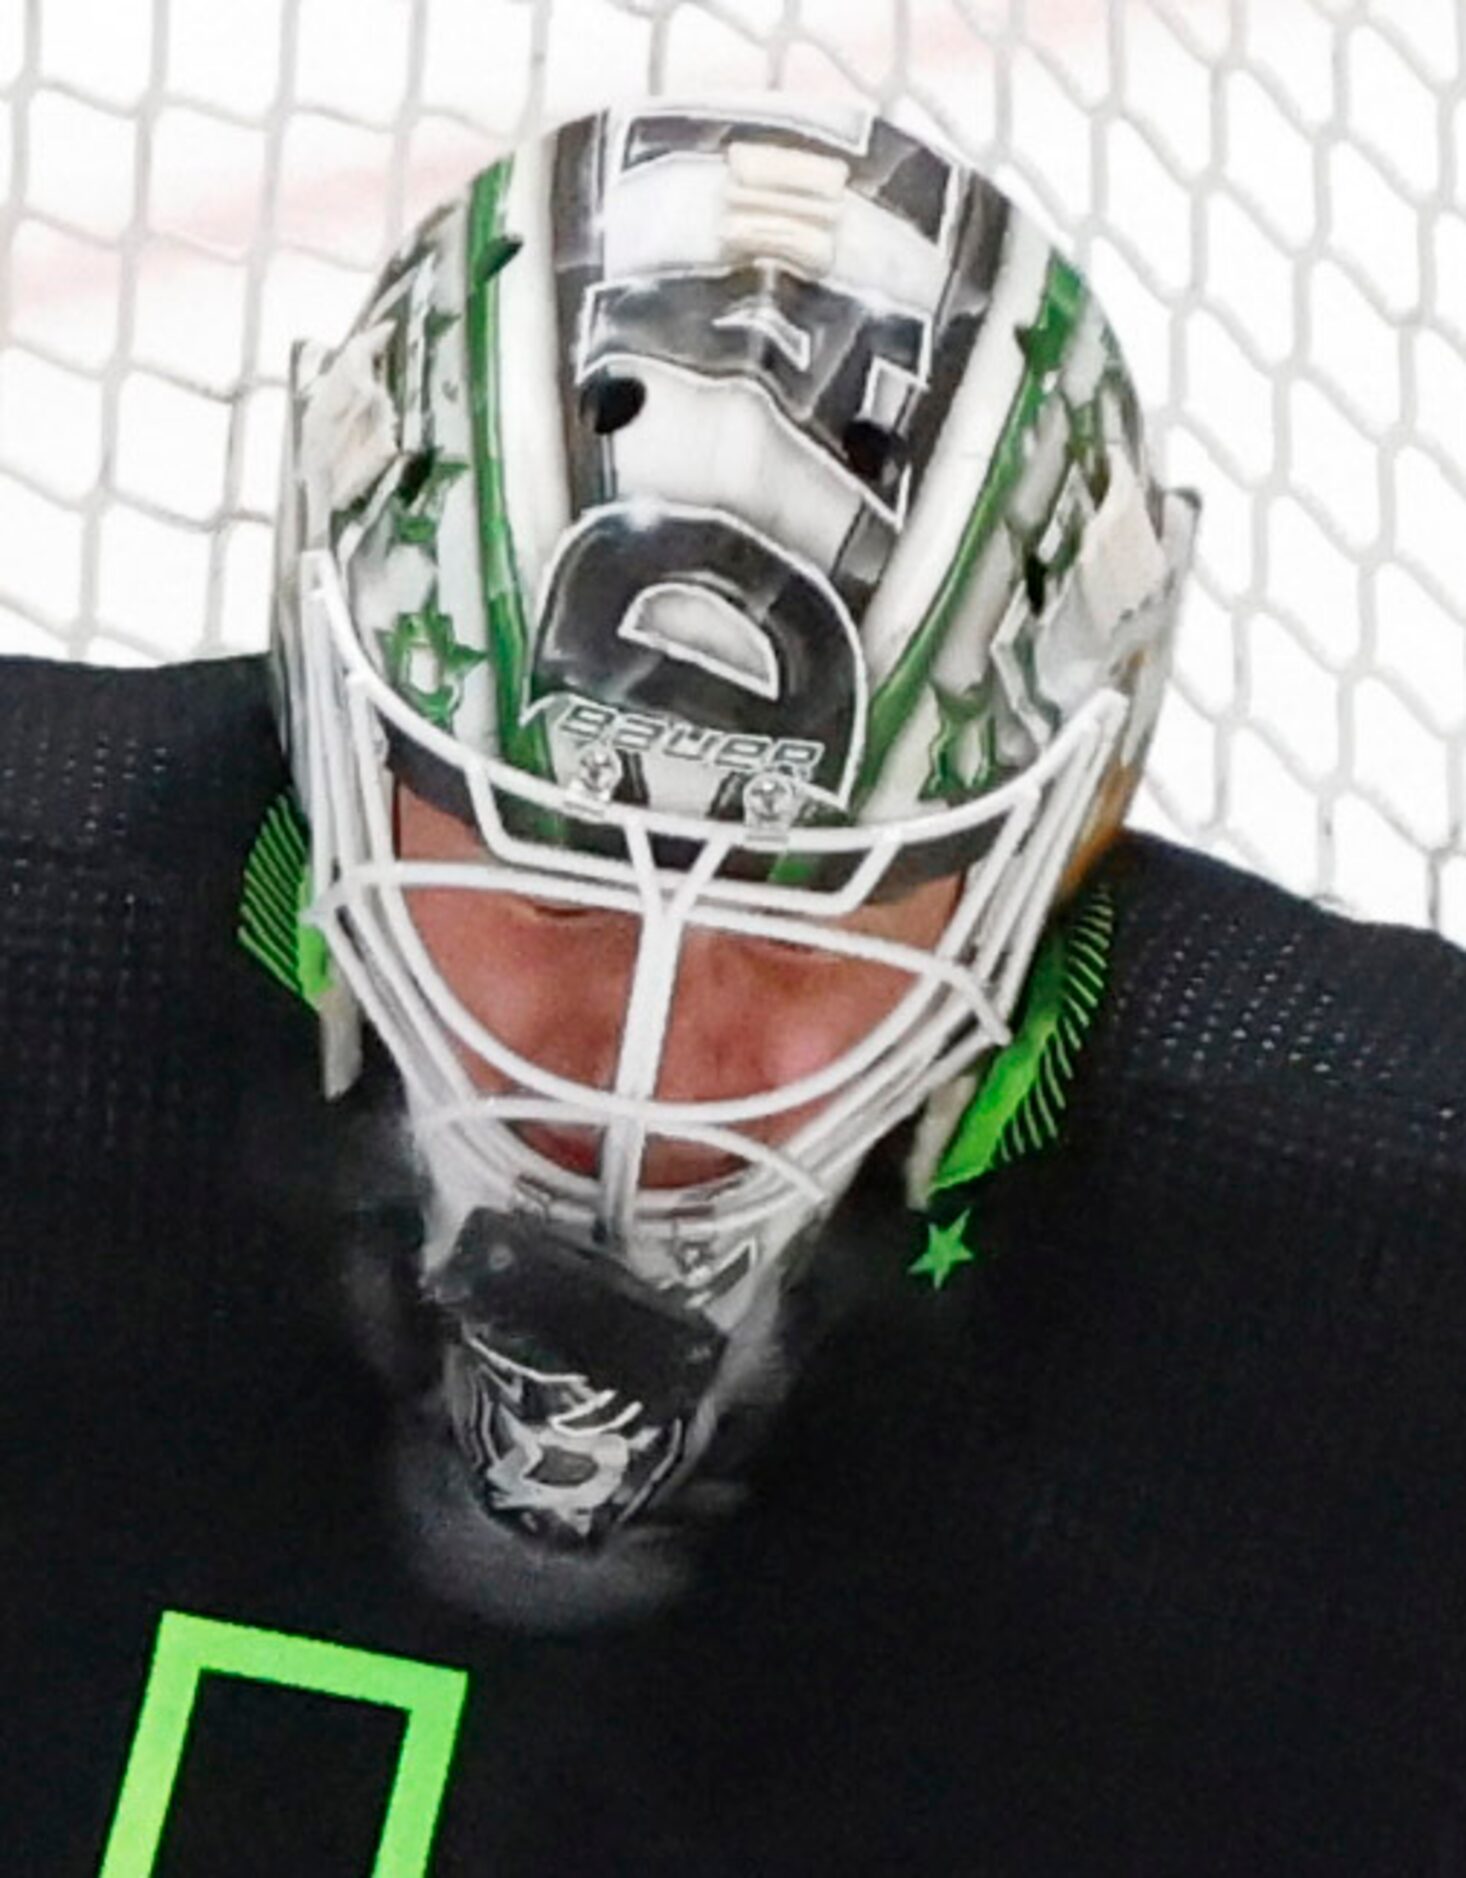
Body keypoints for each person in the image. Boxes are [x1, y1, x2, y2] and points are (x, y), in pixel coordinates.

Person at [3, 96, 1465, 1876]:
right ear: (338, 718)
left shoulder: (1374, 1269)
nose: (645, 1059)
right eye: (546, 881)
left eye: (799, 927)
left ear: (1043, 852)